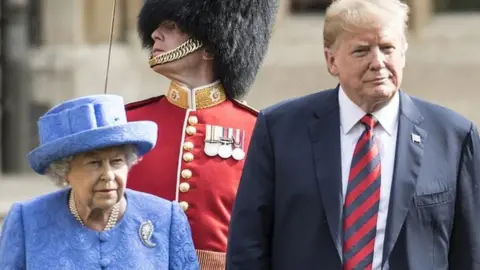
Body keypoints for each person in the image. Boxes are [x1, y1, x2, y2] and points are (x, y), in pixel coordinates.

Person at [226, 0, 480, 269]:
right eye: (361, 51)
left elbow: (471, 255)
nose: (378, 62)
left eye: (387, 48)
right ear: (331, 60)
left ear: (403, 53)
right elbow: (247, 248)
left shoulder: (454, 137)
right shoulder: (279, 131)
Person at [125, 0, 279, 268]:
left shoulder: (257, 130)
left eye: (171, 26)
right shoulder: (129, 122)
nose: (155, 35)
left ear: (208, 45)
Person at [0, 95, 199, 269]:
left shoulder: (165, 218)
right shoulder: (27, 220)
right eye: (94, 163)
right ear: (64, 171)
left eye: (117, 162)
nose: (109, 175)